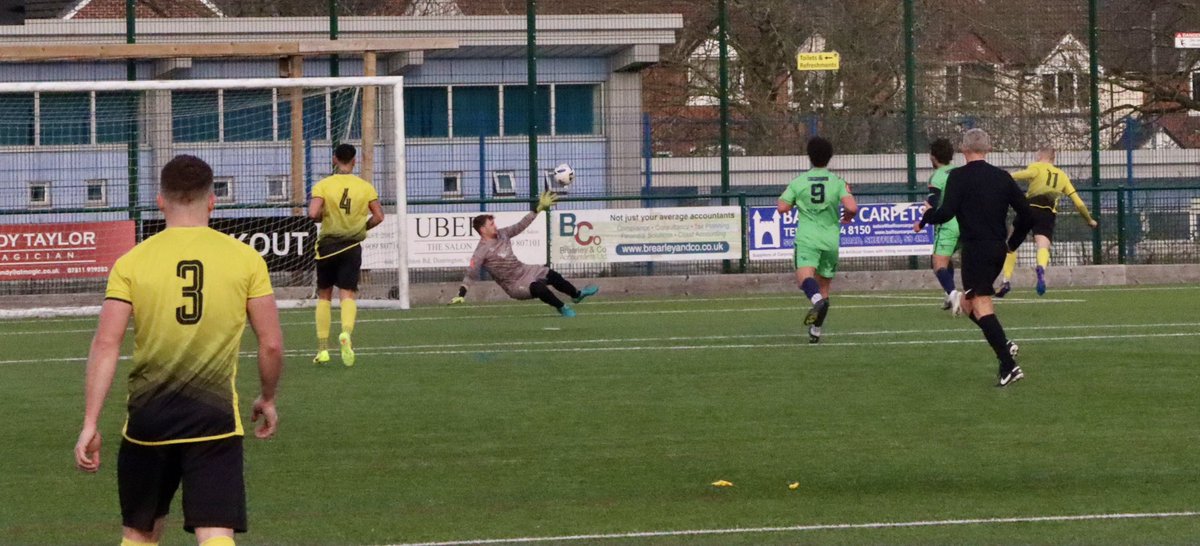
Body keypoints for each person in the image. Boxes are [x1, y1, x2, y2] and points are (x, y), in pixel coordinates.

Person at [74, 155, 284, 546]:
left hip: (149, 420)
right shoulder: (246, 259)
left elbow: (106, 343)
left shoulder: (131, 262)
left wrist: (90, 422)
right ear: (212, 201)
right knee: (215, 532)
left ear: (160, 201)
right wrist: (268, 397)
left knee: (140, 532)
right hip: (214, 419)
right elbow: (270, 343)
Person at [916, 129, 1033, 387]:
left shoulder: (959, 176)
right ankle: (1004, 345)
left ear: (964, 149)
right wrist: (1012, 244)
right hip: (996, 250)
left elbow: (945, 213)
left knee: (980, 306)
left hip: (976, 251)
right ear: (988, 149)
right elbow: (1027, 214)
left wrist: (926, 217)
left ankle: (1008, 365)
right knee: (969, 305)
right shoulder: (1002, 177)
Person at [450, 191, 598, 316]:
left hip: (525, 270)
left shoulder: (503, 234)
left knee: (552, 275)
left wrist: (538, 208)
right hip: (514, 285)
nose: (495, 226)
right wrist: (461, 294)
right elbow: (471, 274)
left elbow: (521, 225)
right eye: (491, 224)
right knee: (539, 288)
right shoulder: (481, 251)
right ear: (483, 230)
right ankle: (562, 308)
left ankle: (577, 295)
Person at [308, 143, 385, 366]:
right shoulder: (365, 187)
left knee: (324, 296)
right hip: (351, 246)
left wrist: (324, 216)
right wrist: (361, 228)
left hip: (328, 246)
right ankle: (346, 334)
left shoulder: (323, 185)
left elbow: (313, 213)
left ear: (334, 159)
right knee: (347, 294)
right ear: (354, 161)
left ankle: (323, 349)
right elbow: (379, 216)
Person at [777, 136, 858, 344]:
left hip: (808, 237)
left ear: (809, 157)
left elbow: (782, 207)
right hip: (830, 239)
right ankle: (816, 330)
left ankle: (816, 302)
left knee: (805, 279)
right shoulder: (838, 182)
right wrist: (848, 216)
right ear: (829, 157)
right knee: (824, 286)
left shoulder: (799, 181)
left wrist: (795, 202)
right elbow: (851, 207)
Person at [997, 146, 1099, 297]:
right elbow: (1078, 203)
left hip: (1028, 209)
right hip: (1047, 213)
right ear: (1053, 158)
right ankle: (1041, 269)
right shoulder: (1062, 176)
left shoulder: (1036, 167)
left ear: (1040, 156)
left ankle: (1006, 280)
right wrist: (1090, 220)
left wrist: (1002, 177)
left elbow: (1020, 175)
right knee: (1043, 246)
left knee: (1010, 247)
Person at [922, 137, 962, 315]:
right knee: (948, 259)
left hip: (948, 224)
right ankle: (948, 295)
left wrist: (921, 223)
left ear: (933, 157)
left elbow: (934, 204)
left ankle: (954, 294)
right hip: (966, 223)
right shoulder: (960, 172)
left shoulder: (937, 177)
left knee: (938, 263)